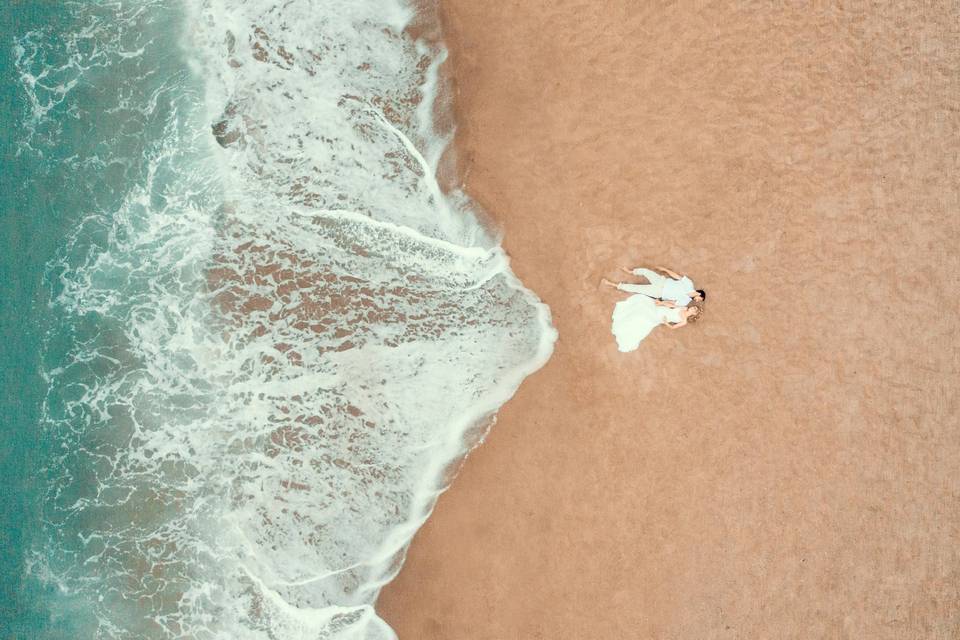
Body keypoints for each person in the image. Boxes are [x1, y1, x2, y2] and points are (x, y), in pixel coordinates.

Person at [609, 293, 701, 352]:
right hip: (663, 309)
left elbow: (673, 327)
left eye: (694, 309)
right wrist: (661, 303)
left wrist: (665, 322)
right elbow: (672, 305)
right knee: (642, 305)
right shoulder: (684, 307)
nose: (692, 307)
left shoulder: (684, 321)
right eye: (694, 307)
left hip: (661, 318)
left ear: (693, 314)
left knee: (643, 319)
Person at [601, 265, 704, 307]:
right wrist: (665, 270)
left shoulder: (685, 302)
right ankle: (631, 271)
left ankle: (613, 284)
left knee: (637, 289)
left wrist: (661, 303)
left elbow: (673, 303)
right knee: (646, 271)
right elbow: (677, 276)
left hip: (658, 292)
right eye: (700, 299)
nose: (698, 301)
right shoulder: (689, 283)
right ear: (700, 294)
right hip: (662, 281)